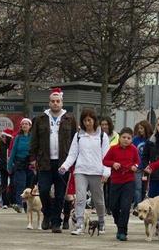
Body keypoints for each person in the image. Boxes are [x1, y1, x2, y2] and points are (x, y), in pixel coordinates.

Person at [29, 89, 77, 232]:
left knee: (60, 193)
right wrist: (33, 158)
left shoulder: (70, 118)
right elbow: (34, 140)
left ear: (62, 103)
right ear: (49, 103)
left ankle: (56, 222)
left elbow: (75, 140)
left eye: (58, 101)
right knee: (43, 190)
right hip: (45, 161)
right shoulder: (40, 119)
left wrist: (73, 160)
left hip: (63, 162)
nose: (55, 104)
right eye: (52, 101)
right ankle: (47, 215)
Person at [60, 108, 110, 236]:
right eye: (85, 121)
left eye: (89, 120)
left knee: (98, 199)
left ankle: (101, 221)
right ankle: (79, 224)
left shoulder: (102, 136)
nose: (87, 123)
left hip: (97, 171)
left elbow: (107, 156)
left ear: (94, 121)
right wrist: (65, 166)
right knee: (80, 198)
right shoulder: (78, 136)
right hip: (81, 170)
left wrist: (106, 172)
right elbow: (72, 154)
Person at [102, 127, 140, 241]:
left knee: (125, 206)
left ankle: (123, 231)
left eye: (129, 138)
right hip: (115, 181)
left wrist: (135, 167)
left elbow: (138, 162)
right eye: (124, 137)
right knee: (113, 205)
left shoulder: (134, 149)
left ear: (132, 139)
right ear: (120, 138)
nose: (126, 140)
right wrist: (113, 164)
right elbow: (105, 161)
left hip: (129, 181)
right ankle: (119, 224)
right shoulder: (113, 149)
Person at [8, 117, 33, 213]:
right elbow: (13, 151)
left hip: (30, 164)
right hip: (19, 163)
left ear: (30, 126)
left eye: (26, 124)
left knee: (29, 186)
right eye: (23, 124)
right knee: (20, 184)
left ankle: (29, 206)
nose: (24, 126)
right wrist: (10, 165)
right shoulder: (17, 138)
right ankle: (20, 205)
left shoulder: (33, 137)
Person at [132, 120, 152, 206]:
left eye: (141, 128)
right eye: (139, 128)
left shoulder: (151, 139)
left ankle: (145, 204)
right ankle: (138, 204)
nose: (139, 130)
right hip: (138, 167)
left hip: (148, 167)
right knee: (138, 187)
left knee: (145, 188)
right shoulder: (135, 139)